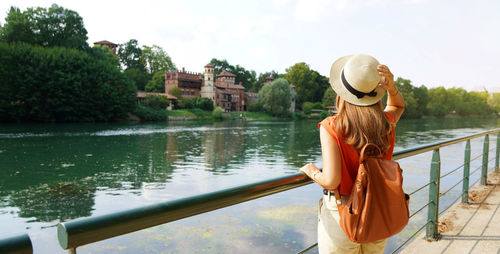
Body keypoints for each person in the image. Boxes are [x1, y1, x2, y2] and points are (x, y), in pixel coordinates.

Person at [299, 54, 405, 254]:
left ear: (341, 92)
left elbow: (331, 180)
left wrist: (310, 170)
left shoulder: (332, 126)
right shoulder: (387, 122)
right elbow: (399, 105)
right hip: (378, 209)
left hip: (342, 212)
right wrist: (392, 88)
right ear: (376, 93)